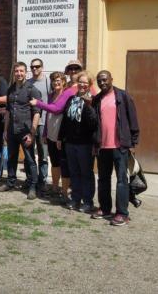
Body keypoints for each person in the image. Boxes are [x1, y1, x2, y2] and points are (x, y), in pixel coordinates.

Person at [91, 70, 140, 226]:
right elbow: (95, 124)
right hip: (102, 147)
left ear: (111, 79)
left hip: (120, 147)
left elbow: (133, 119)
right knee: (103, 179)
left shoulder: (123, 96)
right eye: (99, 80)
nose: (102, 82)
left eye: (105, 79)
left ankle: (122, 213)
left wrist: (133, 142)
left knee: (121, 181)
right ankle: (105, 208)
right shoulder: (97, 99)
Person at [0, 62, 41, 200]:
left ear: (26, 73)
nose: (19, 74)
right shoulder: (11, 89)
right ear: (13, 73)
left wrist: (32, 132)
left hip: (26, 131)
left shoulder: (32, 90)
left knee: (30, 159)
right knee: (12, 158)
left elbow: (37, 113)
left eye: (21, 71)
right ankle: (10, 182)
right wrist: (5, 130)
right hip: (12, 130)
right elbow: (8, 111)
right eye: (16, 71)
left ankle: (33, 186)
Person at [58, 71, 98, 213]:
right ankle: (75, 199)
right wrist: (60, 137)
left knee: (86, 173)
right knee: (74, 172)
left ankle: (88, 202)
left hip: (85, 144)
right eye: (80, 82)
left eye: (85, 83)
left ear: (89, 85)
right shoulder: (72, 99)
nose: (82, 84)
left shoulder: (93, 100)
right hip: (70, 142)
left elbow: (94, 123)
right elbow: (65, 120)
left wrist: (88, 106)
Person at [31, 72, 71, 202]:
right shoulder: (51, 95)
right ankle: (55, 188)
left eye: (59, 80)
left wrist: (38, 103)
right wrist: (45, 133)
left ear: (64, 81)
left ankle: (64, 192)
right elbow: (48, 115)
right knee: (54, 162)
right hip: (51, 134)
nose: (56, 83)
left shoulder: (67, 94)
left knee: (64, 164)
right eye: (54, 81)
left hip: (62, 135)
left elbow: (56, 109)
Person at [25, 58, 50, 193]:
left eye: (37, 66)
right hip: (29, 123)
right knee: (28, 153)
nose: (35, 69)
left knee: (43, 155)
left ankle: (43, 181)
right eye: (32, 67)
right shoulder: (27, 83)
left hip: (44, 123)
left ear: (42, 67)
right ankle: (30, 180)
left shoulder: (48, 82)